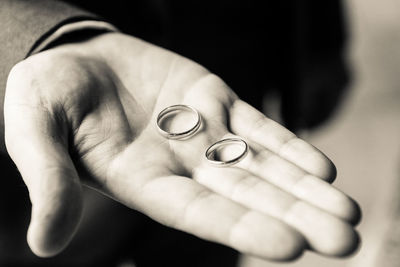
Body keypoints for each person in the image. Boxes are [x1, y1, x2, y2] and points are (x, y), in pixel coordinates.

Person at [0, 0, 360, 266]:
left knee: (207, 248)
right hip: (90, 125)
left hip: (230, 72)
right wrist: (41, 37)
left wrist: (322, 39)